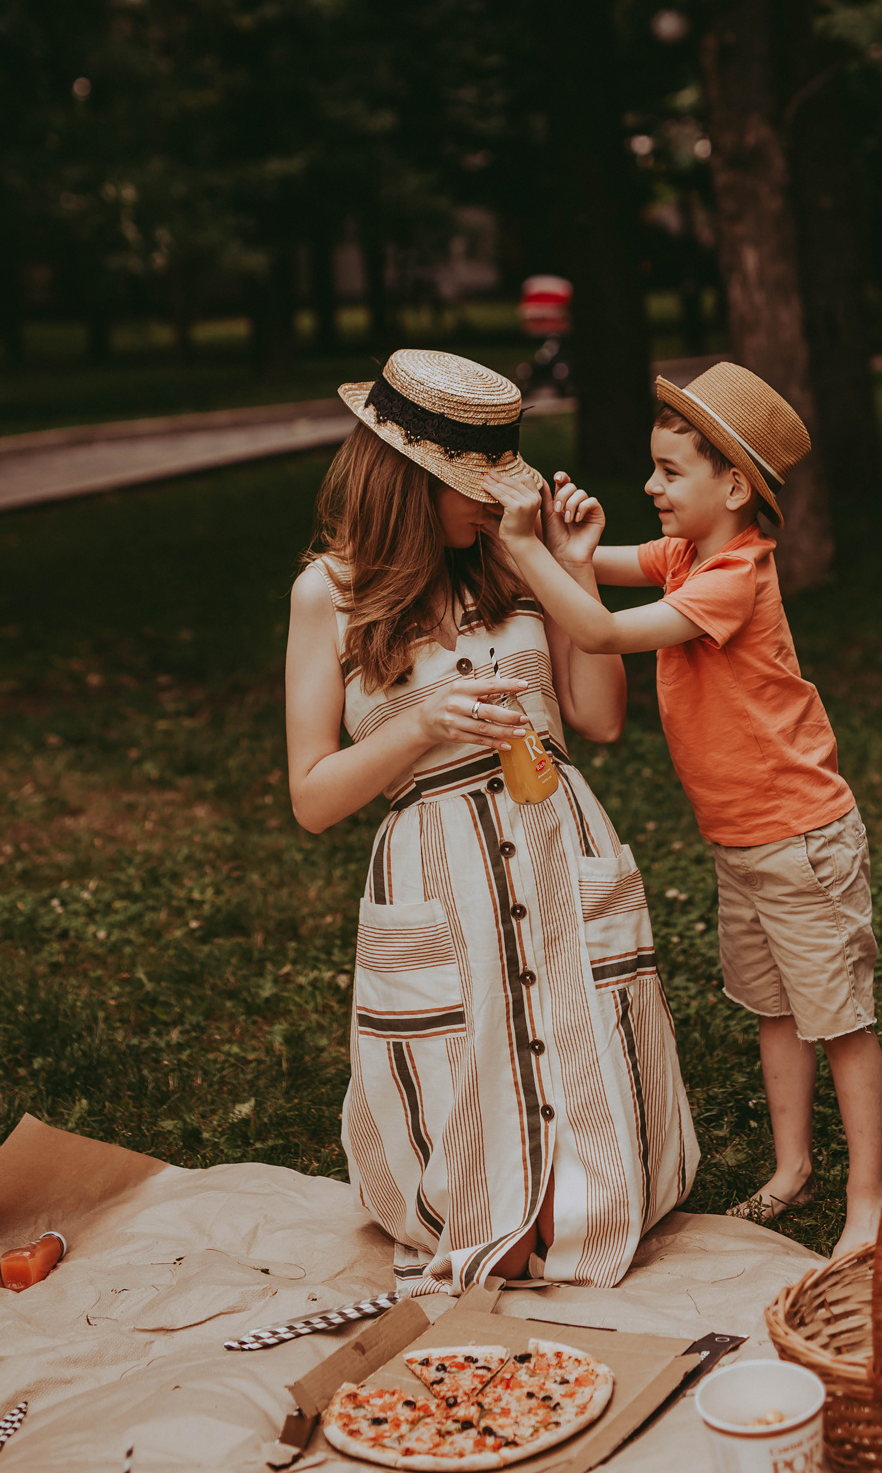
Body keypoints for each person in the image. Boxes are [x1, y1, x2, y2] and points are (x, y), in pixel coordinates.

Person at [285, 348, 697, 1296]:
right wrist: (420, 727)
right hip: (435, 870)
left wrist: (573, 565)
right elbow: (313, 798)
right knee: (474, 1168)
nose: (495, 505)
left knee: (584, 1191)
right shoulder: (330, 594)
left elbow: (597, 718)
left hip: (554, 834)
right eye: (474, 488)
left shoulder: (517, 567)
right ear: (409, 479)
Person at [484, 362, 882, 1258]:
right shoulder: (686, 556)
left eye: (669, 472)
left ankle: (868, 1196)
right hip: (741, 843)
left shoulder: (731, 578)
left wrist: (529, 556)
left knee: (839, 1021)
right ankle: (792, 1169)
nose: (648, 487)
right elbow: (596, 573)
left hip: (799, 839)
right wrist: (568, 544)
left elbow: (596, 631)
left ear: (734, 487)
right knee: (773, 1008)